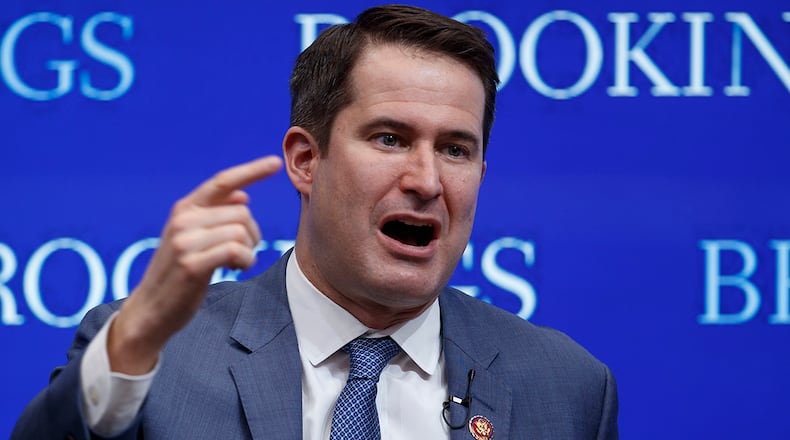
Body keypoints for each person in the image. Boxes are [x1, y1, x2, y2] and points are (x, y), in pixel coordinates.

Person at [13, 5, 618, 439]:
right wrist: (137, 339)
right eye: (390, 138)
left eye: (455, 149)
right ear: (306, 160)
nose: (427, 180)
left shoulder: (566, 388)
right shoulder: (153, 355)